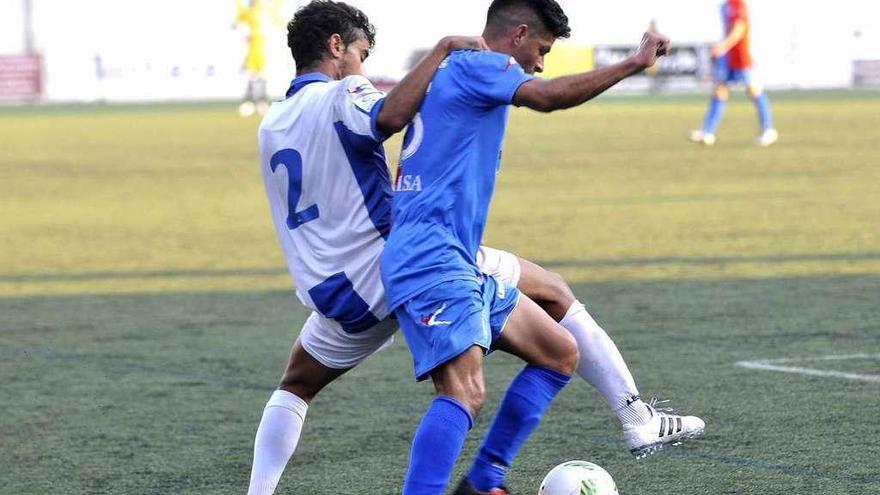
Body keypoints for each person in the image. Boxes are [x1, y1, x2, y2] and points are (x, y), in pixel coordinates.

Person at [250, 1, 703, 494]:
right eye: (360, 53)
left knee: (555, 349)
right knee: (495, 356)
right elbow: (389, 115)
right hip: (411, 257)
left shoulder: (272, 123)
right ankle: (633, 414)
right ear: (336, 47)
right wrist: (634, 63)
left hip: (334, 289)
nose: (364, 66)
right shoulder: (349, 92)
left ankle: (266, 491)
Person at [690, 0, 778, 146]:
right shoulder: (725, 5)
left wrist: (724, 45)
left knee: (753, 90)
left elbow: (740, 28)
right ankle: (708, 132)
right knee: (720, 90)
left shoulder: (738, 4)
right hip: (728, 57)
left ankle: (768, 129)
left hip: (741, 56)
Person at [234, 0, 282, 117]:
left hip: (264, 47)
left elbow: (277, 20)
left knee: (262, 75)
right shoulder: (249, 12)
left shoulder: (266, 10)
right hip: (254, 47)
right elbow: (240, 21)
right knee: (253, 75)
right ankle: (249, 102)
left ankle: (262, 102)